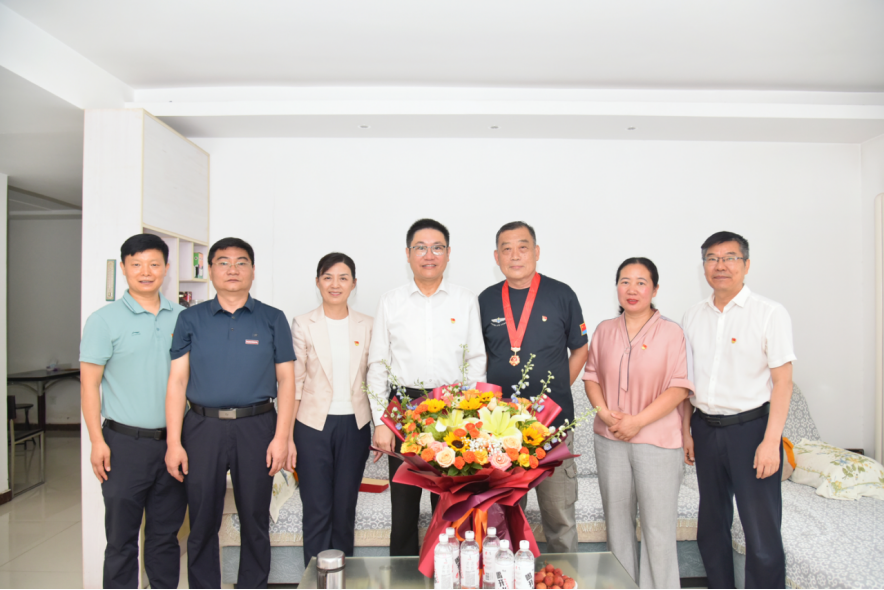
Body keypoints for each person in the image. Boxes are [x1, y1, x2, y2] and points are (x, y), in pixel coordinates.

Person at [164, 237, 295, 589]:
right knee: (201, 518)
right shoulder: (190, 319)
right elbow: (177, 382)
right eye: (223, 262)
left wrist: (282, 437)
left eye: (241, 262)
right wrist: (174, 442)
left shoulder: (272, 318)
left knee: (255, 518)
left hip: (257, 426)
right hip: (201, 428)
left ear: (253, 270)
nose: (232, 269)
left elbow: (287, 380)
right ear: (210, 270)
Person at [368, 218, 487, 556]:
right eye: (420, 247)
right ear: (408, 254)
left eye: (437, 247)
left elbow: (476, 360)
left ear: (448, 254)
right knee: (404, 506)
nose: (429, 255)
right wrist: (381, 421)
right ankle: (403, 577)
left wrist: (470, 415)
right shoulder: (390, 301)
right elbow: (378, 365)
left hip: (452, 410)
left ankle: (446, 574)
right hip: (404, 409)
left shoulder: (465, 300)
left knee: (449, 505)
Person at [682, 231, 795, 589]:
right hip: (704, 429)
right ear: (703, 267)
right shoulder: (692, 316)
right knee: (711, 526)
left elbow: (783, 382)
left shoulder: (769, 313)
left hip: (752, 431)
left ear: (746, 265)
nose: (721, 266)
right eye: (712, 259)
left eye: (730, 258)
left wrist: (771, 442)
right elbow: (686, 383)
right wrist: (686, 432)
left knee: (760, 533)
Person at [80, 233, 187, 589]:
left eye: (154, 264)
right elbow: (89, 385)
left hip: (174, 444)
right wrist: (97, 441)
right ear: (124, 268)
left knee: (165, 536)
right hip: (123, 444)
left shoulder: (183, 318)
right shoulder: (104, 320)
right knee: (121, 539)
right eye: (137, 264)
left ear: (166, 268)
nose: (146, 272)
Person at [478, 221, 588, 554]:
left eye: (523, 247)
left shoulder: (562, 294)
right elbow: (480, 358)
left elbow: (580, 349)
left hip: (553, 428)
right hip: (502, 430)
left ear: (536, 252)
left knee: (560, 518)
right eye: (507, 249)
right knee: (506, 519)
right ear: (496, 257)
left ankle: (565, 577)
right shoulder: (485, 300)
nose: (515, 255)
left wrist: (556, 394)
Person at [583, 257, 694, 588]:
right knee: (617, 526)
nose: (632, 289)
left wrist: (638, 422)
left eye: (641, 282)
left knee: (658, 528)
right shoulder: (604, 330)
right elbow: (591, 377)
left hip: (657, 442)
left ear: (655, 289)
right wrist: (605, 414)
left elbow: (679, 388)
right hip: (610, 440)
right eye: (625, 282)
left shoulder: (672, 333)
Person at [289, 252, 373, 566]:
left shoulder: (368, 325)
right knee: (316, 509)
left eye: (342, 278)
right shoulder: (303, 324)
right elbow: (295, 383)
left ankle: (341, 578)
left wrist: (381, 426)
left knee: (344, 508)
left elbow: (376, 378)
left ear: (353, 283)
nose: (335, 284)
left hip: (355, 425)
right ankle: (316, 580)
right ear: (317, 282)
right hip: (312, 426)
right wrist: (287, 436)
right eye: (328, 277)